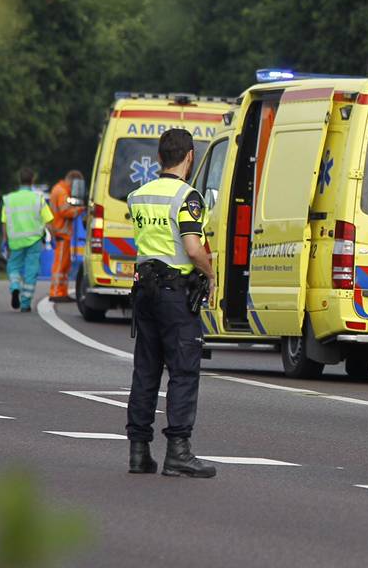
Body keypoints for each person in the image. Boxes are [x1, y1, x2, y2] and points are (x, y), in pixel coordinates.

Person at [125, 129, 218, 478]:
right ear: (190, 156)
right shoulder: (187, 197)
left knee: (146, 370)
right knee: (183, 371)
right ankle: (178, 452)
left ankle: (138, 452)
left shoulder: (138, 196)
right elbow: (193, 248)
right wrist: (210, 275)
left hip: (144, 291)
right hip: (175, 294)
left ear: (159, 157)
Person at [2, 168, 54, 313]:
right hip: (34, 241)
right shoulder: (38, 199)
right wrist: (53, 238)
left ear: (19, 180)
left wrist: (4, 240)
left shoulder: (9, 199)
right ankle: (25, 303)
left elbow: (4, 222)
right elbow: (49, 221)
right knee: (31, 271)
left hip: (15, 240)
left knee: (13, 266)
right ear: (32, 180)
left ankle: (15, 287)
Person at [48, 170, 86, 302]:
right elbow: (65, 211)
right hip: (61, 233)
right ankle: (56, 293)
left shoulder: (59, 189)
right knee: (60, 266)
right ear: (73, 182)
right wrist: (81, 209)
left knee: (64, 265)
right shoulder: (62, 191)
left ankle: (61, 292)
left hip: (62, 233)